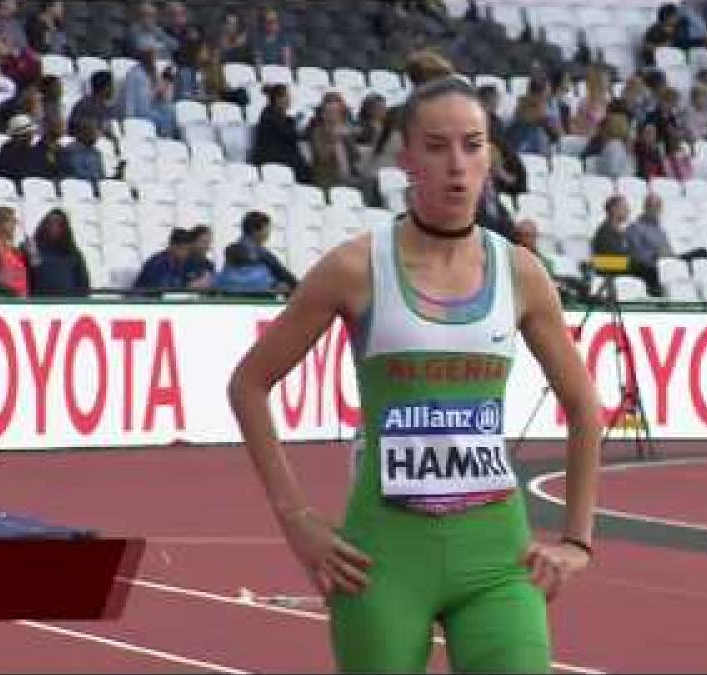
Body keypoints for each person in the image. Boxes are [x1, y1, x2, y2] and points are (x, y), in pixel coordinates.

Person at [227, 76, 601, 673]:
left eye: (472, 145)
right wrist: (296, 521)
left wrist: (578, 541)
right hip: (383, 563)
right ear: (405, 159)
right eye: (436, 146)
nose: (457, 166)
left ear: (491, 157)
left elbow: (585, 409)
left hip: (498, 561)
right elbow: (248, 384)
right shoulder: (355, 268)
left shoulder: (522, 274)